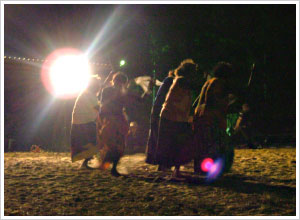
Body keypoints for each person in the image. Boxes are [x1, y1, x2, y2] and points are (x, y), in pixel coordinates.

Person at [155, 59, 198, 178]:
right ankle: (175, 169)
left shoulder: (180, 80)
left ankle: (168, 166)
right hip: (174, 116)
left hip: (173, 116)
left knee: (172, 142)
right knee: (178, 144)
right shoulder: (182, 81)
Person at [193, 61, 234, 174]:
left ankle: (200, 169)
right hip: (211, 118)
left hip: (202, 117)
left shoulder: (210, 82)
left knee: (203, 146)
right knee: (214, 146)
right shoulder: (218, 83)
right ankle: (212, 170)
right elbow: (212, 100)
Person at [97, 72, 129, 177]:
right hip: (111, 119)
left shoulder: (119, 92)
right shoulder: (110, 91)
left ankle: (110, 166)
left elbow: (101, 103)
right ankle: (109, 166)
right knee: (113, 144)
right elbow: (102, 103)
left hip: (114, 119)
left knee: (117, 144)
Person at [145, 70, 175, 167]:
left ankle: (158, 161)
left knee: (158, 136)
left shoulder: (168, 81)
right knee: (162, 137)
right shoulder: (171, 81)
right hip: (162, 112)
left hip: (159, 110)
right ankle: (161, 163)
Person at [70, 77, 100, 169]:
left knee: (89, 144)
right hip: (84, 123)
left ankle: (87, 162)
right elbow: (98, 109)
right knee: (93, 143)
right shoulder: (89, 95)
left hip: (80, 123)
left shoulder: (86, 93)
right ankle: (86, 163)